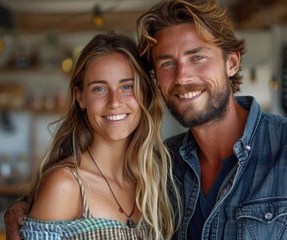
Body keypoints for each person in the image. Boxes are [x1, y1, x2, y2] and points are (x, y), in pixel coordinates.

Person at [136, 0, 287, 239]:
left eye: (197, 57)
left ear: (231, 63)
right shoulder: (162, 166)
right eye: (167, 63)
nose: (182, 77)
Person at [10, 31, 179, 240]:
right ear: (81, 97)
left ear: (144, 93)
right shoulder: (66, 185)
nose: (114, 101)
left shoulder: (157, 179)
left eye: (127, 86)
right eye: (99, 89)